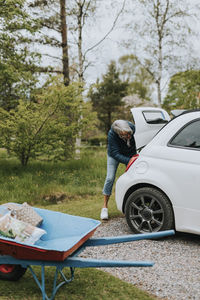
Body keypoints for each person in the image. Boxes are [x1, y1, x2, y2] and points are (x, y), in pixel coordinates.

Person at [100, 119, 137, 220]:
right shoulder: (112, 134)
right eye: (125, 135)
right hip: (114, 154)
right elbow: (115, 153)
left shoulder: (133, 128)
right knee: (110, 178)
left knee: (134, 178)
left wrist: (133, 158)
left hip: (130, 153)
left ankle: (132, 205)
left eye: (129, 134)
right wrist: (129, 160)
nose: (128, 137)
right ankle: (104, 207)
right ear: (119, 133)